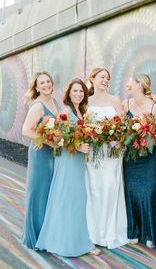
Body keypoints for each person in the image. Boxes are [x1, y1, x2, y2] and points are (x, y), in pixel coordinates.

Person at [35, 78, 101, 256]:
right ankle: (63, 242)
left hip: (78, 161)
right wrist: (77, 146)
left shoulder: (82, 112)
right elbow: (57, 138)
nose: (78, 94)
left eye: (81, 91)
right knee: (66, 199)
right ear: (69, 93)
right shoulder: (65, 111)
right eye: (75, 91)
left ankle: (80, 240)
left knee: (78, 200)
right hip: (67, 160)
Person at [85, 67, 128, 249]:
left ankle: (108, 232)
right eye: (102, 77)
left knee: (110, 187)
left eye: (108, 78)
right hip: (93, 153)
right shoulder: (86, 101)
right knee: (94, 189)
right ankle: (92, 232)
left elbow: (124, 125)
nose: (105, 81)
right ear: (92, 79)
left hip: (111, 152)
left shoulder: (115, 100)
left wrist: (119, 140)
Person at [122, 74, 156, 249]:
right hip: (131, 157)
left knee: (150, 192)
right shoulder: (125, 105)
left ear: (140, 84)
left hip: (150, 157)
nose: (128, 85)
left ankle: (150, 233)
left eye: (131, 82)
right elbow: (119, 128)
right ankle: (134, 231)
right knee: (131, 191)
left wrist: (146, 138)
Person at [22, 71, 60, 249]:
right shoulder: (37, 106)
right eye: (42, 83)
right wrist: (49, 142)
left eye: (48, 81)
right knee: (38, 192)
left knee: (50, 193)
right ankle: (35, 237)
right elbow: (26, 131)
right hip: (40, 154)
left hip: (53, 154)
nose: (46, 85)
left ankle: (47, 235)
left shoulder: (54, 102)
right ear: (36, 87)